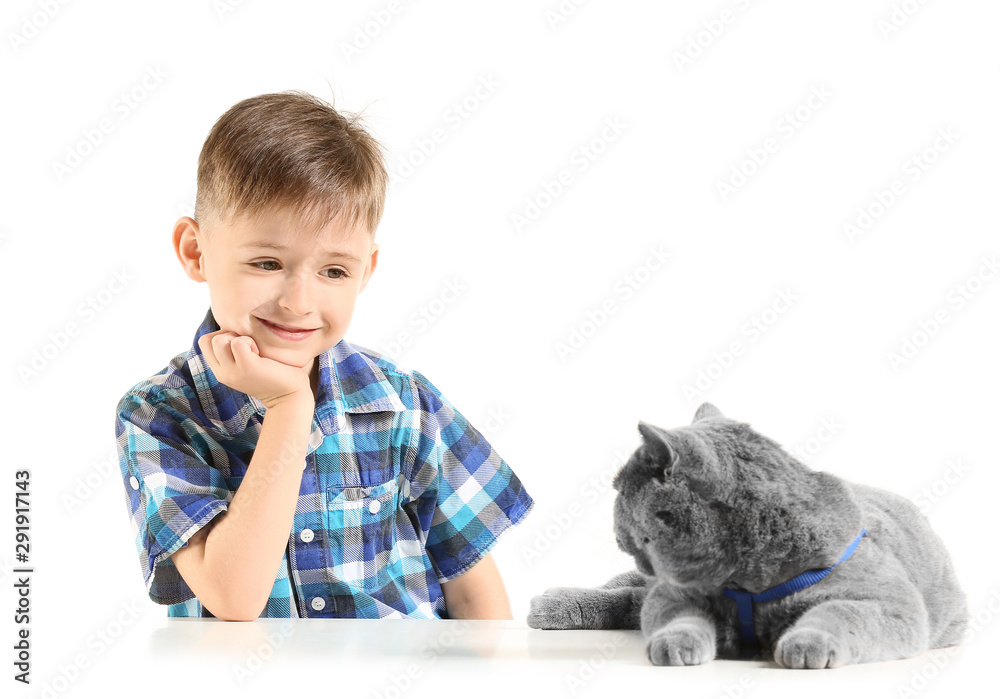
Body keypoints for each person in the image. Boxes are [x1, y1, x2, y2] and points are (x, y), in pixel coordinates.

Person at [114, 91, 534, 621]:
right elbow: (233, 597)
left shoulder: (403, 403)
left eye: (334, 271)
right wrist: (290, 408)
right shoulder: (160, 414)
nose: (298, 302)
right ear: (196, 252)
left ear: (366, 270)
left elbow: (474, 593)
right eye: (267, 262)